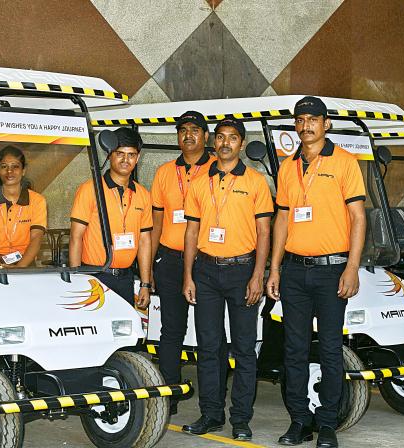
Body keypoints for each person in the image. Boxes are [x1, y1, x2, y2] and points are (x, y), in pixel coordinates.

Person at [266, 97, 366, 448]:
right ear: (295, 125)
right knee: (293, 350)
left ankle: (326, 424)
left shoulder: (345, 163)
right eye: (301, 119)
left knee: (329, 349)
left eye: (313, 119)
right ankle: (299, 421)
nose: (306, 125)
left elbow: (358, 218)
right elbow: (281, 219)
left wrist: (351, 267)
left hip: (332, 271)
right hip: (293, 271)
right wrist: (274, 269)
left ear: (326, 125)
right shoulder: (286, 167)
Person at [181, 118, 273, 441]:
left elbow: (264, 232)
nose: (225, 143)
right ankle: (211, 414)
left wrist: (258, 275)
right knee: (208, 347)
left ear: (242, 143)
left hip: (242, 271)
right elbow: (191, 231)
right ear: (213, 142)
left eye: (232, 138)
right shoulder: (198, 183)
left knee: (244, 349)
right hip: (205, 271)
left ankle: (241, 420)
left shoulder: (257, 182)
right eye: (220, 137)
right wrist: (188, 275)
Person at [150, 110, 216, 413]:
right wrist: (150, 266)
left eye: (194, 130)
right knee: (171, 330)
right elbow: (157, 222)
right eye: (182, 130)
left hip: (207, 261)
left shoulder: (218, 168)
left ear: (205, 135)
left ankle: (212, 401)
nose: (188, 136)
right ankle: (170, 394)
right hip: (171, 259)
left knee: (209, 333)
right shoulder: (165, 172)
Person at [69, 127, 152, 308]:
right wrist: (77, 280)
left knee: (124, 334)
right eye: (120, 154)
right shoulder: (90, 189)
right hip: (94, 277)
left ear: (137, 158)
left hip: (125, 278)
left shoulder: (143, 195)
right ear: (109, 155)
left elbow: (145, 241)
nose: (125, 160)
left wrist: (145, 284)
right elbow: (76, 236)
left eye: (131, 155)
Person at [0, 146, 47, 268]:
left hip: (25, 260)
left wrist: (19, 268)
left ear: (23, 170)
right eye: (4, 167)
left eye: (15, 166)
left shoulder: (38, 200)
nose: (9, 171)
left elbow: (36, 239)